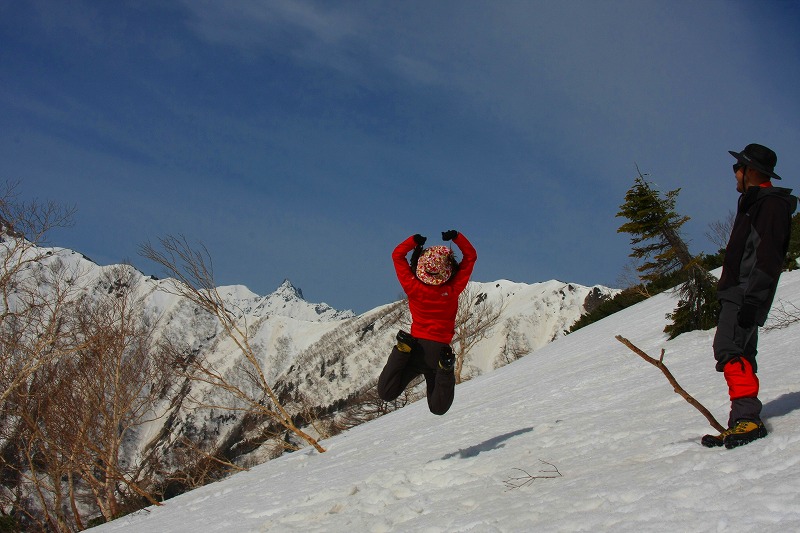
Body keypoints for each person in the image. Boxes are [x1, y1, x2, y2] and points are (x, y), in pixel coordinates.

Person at [702, 144, 797, 449]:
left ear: (752, 171)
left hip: (746, 291)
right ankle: (742, 419)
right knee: (740, 350)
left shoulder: (770, 206)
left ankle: (748, 420)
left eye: (738, 168)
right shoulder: (755, 203)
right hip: (741, 290)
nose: (734, 174)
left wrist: (753, 299)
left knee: (729, 347)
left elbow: (768, 257)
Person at [377, 230, 477, 415]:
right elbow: (471, 257)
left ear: (420, 267)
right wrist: (456, 237)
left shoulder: (413, 287)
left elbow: (397, 255)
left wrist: (413, 241)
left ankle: (401, 350)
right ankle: (445, 369)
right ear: (448, 269)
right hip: (438, 353)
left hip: (415, 350)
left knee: (386, 392)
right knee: (438, 408)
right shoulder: (452, 290)